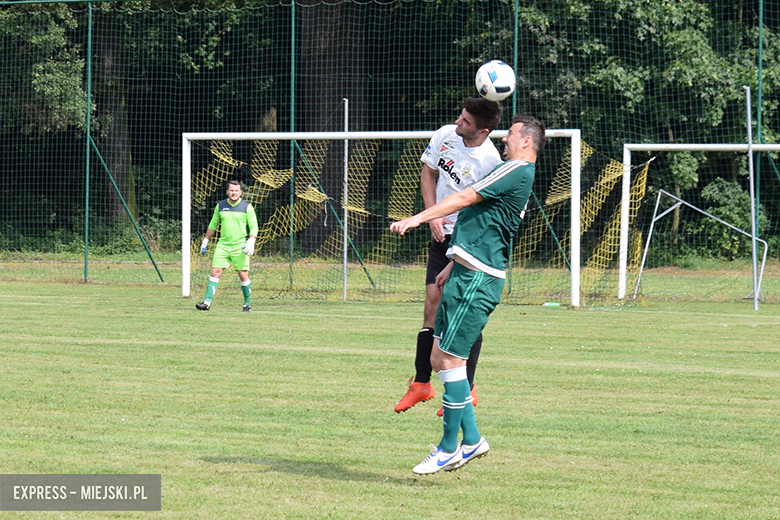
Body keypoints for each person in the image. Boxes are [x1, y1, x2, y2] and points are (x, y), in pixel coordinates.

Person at [390, 115, 545, 474]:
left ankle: (448, 447)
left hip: (478, 278)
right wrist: (452, 263)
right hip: (464, 270)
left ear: (526, 141)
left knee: (449, 361)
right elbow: (485, 224)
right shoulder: (511, 170)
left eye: (511, 135)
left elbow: (464, 197)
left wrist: (418, 218)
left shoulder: (517, 170)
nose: (504, 139)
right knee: (439, 358)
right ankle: (472, 440)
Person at [394, 97, 504, 416]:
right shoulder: (445, 134)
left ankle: (466, 389)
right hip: (440, 232)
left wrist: (459, 247)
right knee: (432, 303)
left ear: (482, 131)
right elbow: (428, 174)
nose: (458, 122)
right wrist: (432, 215)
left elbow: (484, 214)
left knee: (463, 312)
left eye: (466, 121)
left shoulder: (490, 163)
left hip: (469, 240)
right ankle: (421, 384)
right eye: (460, 116)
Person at [196, 180, 259, 312]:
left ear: (240, 192)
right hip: (223, 246)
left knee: (243, 274)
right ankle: (206, 303)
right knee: (215, 271)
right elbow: (213, 225)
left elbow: (254, 226)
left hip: (239, 247)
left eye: (236, 191)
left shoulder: (247, 207)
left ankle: (247, 304)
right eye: (231, 190)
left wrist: (251, 241)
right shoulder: (220, 206)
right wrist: (206, 240)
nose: (234, 193)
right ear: (227, 192)